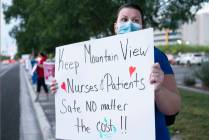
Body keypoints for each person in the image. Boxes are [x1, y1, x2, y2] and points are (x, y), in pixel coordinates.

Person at [51, 3, 181, 140]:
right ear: (115, 27)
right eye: (124, 19)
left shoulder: (157, 57)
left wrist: (159, 89)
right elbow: (85, 95)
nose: (130, 24)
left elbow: (174, 108)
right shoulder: (95, 57)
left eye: (136, 20)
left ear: (142, 27)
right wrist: (62, 89)